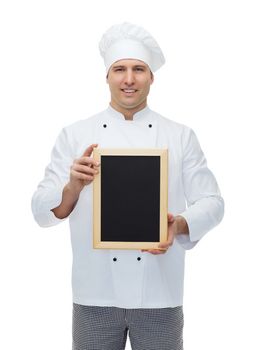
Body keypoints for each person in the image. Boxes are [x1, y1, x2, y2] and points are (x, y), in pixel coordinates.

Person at [31, 22, 224, 350]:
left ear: (152, 77)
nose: (129, 79)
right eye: (120, 69)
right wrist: (72, 187)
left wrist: (177, 225)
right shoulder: (74, 135)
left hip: (159, 293)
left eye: (139, 69)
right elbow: (41, 210)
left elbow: (213, 201)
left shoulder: (180, 136)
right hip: (94, 292)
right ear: (107, 76)